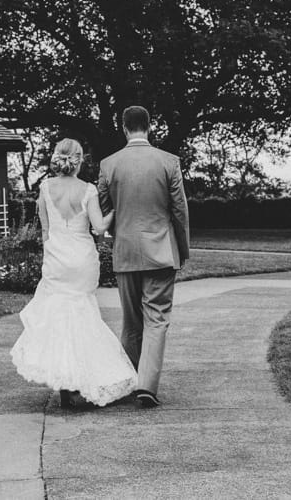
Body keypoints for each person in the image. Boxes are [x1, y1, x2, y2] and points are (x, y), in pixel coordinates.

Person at [10, 138, 138, 407]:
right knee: (83, 314)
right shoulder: (88, 190)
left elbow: (45, 230)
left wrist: (51, 257)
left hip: (56, 256)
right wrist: (114, 209)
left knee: (59, 318)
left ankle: (65, 384)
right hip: (81, 259)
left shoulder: (45, 188)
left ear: (58, 159)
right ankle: (81, 378)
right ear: (79, 160)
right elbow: (100, 227)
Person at [98, 106, 189, 408]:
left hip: (125, 252)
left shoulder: (109, 165)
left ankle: (128, 381)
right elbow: (179, 211)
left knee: (131, 322)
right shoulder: (168, 162)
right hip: (161, 252)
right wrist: (182, 249)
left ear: (124, 128)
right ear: (150, 127)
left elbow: (103, 210)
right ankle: (146, 387)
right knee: (157, 319)